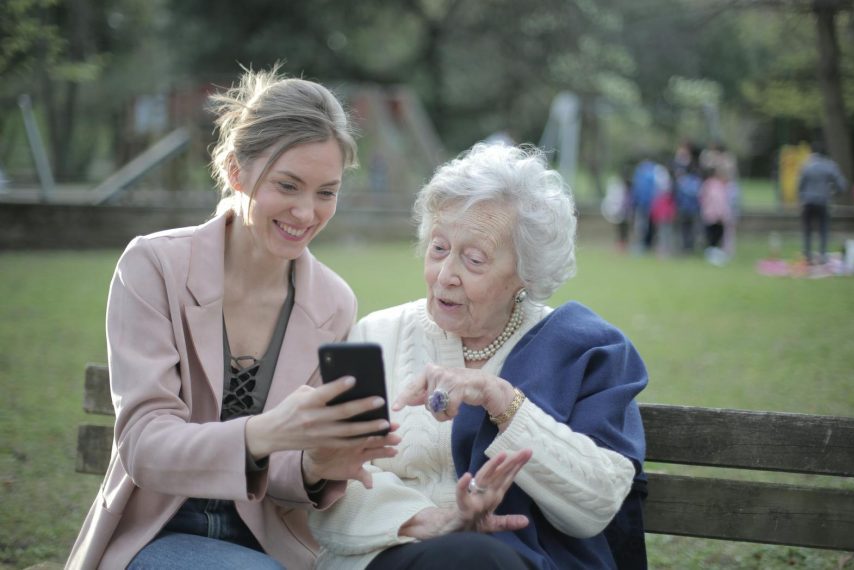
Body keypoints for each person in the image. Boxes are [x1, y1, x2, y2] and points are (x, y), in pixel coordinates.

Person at [66, 66, 400, 569]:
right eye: (287, 185)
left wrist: (317, 463)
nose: (306, 213)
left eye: (326, 192)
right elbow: (144, 445)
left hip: (271, 547)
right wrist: (265, 432)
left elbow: (286, 475)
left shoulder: (333, 301)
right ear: (234, 170)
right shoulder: (154, 265)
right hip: (155, 534)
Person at [309, 143, 649, 569]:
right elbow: (328, 482)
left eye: (474, 259)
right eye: (438, 248)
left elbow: (598, 504)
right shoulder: (376, 336)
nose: (445, 275)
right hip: (387, 556)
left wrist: (503, 401)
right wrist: (428, 520)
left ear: (526, 273)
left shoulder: (583, 350)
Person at [797, 140, 847, 264]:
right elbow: (842, 185)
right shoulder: (829, 165)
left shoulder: (806, 166)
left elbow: (800, 186)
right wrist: (833, 194)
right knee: (823, 229)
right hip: (823, 201)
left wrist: (802, 197)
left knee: (807, 229)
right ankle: (823, 255)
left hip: (808, 202)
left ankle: (808, 255)